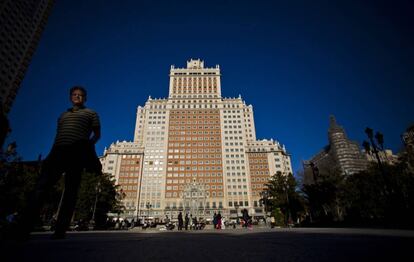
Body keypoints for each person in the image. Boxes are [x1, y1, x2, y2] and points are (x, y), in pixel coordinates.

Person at [18, 86, 101, 240]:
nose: (77, 97)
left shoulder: (91, 113)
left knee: (71, 191)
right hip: (57, 153)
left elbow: (97, 134)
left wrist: (87, 146)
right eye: (74, 95)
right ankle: (24, 227)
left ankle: (60, 230)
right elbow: (58, 136)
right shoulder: (63, 115)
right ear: (70, 97)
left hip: (76, 153)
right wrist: (50, 155)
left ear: (85, 98)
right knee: (40, 188)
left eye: (80, 95)